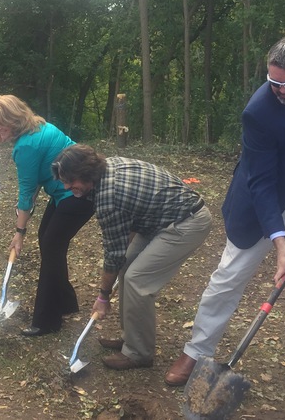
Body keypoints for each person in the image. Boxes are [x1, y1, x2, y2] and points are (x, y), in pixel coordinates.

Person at [165, 35, 285, 386]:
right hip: (264, 197)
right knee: (228, 278)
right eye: (274, 82)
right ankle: (196, 352)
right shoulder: (259, 111)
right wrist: (279, 241)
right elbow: (260, 182)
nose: (281, 91)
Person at [51, 144, 212, 369]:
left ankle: (139, 354)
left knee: (137, 280)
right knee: (127, 267)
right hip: (158, 218)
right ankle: (131, 339)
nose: (68, 187)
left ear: (87, 173)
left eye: (72, 181)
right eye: (65, 181)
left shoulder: (109, 197)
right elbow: (126, 230)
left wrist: (103, 297)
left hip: (186, 222)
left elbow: (113, 254)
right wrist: (122, 258)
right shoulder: (106, 167)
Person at [0, 95, 94, 336]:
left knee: (51, 248)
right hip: (66, 193)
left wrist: (19, 232)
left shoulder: (26, 146)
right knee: (48, 240)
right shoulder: (39, 126)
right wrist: (24, 218)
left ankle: (47, 320)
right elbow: (31, 186)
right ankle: (65, 303)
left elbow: (26, 191)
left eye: (1, 122)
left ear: (14, 117)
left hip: (77, 194)